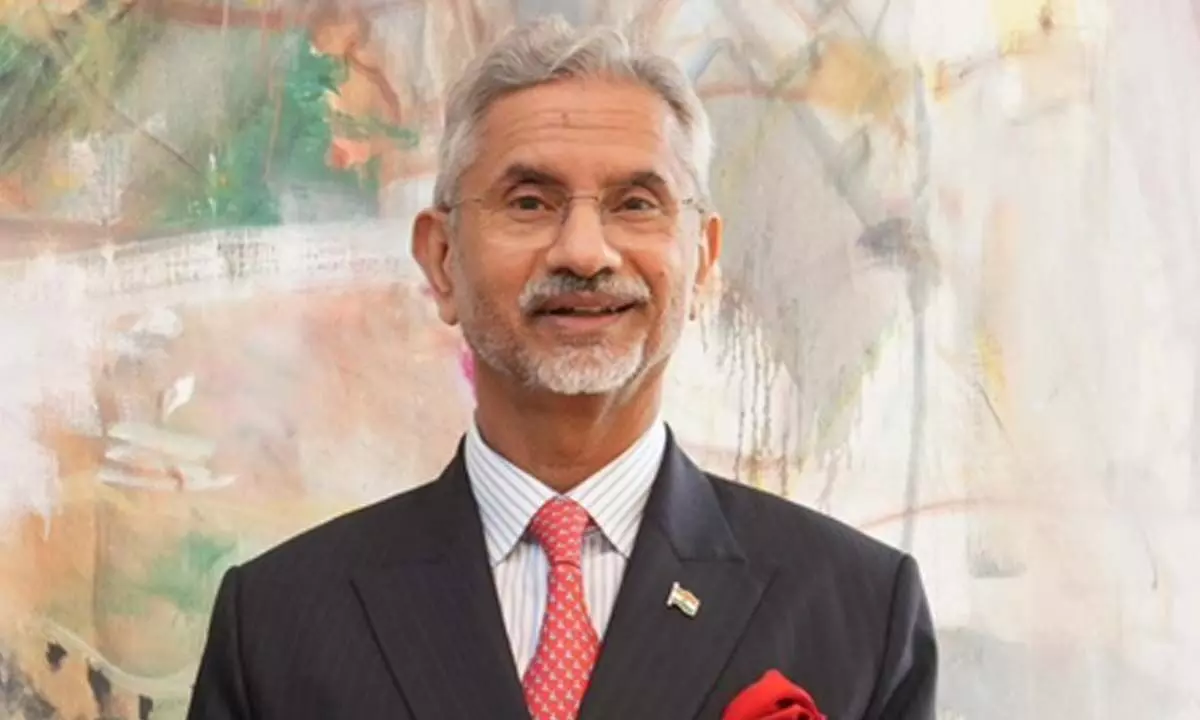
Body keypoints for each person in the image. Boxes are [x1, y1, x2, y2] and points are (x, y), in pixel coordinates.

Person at [186, 16, 937, 720]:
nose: (584, 251)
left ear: (704, 261)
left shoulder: (859, 610)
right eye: (529, 202)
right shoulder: (279, 623)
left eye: (635, 203)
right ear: (441, 261)